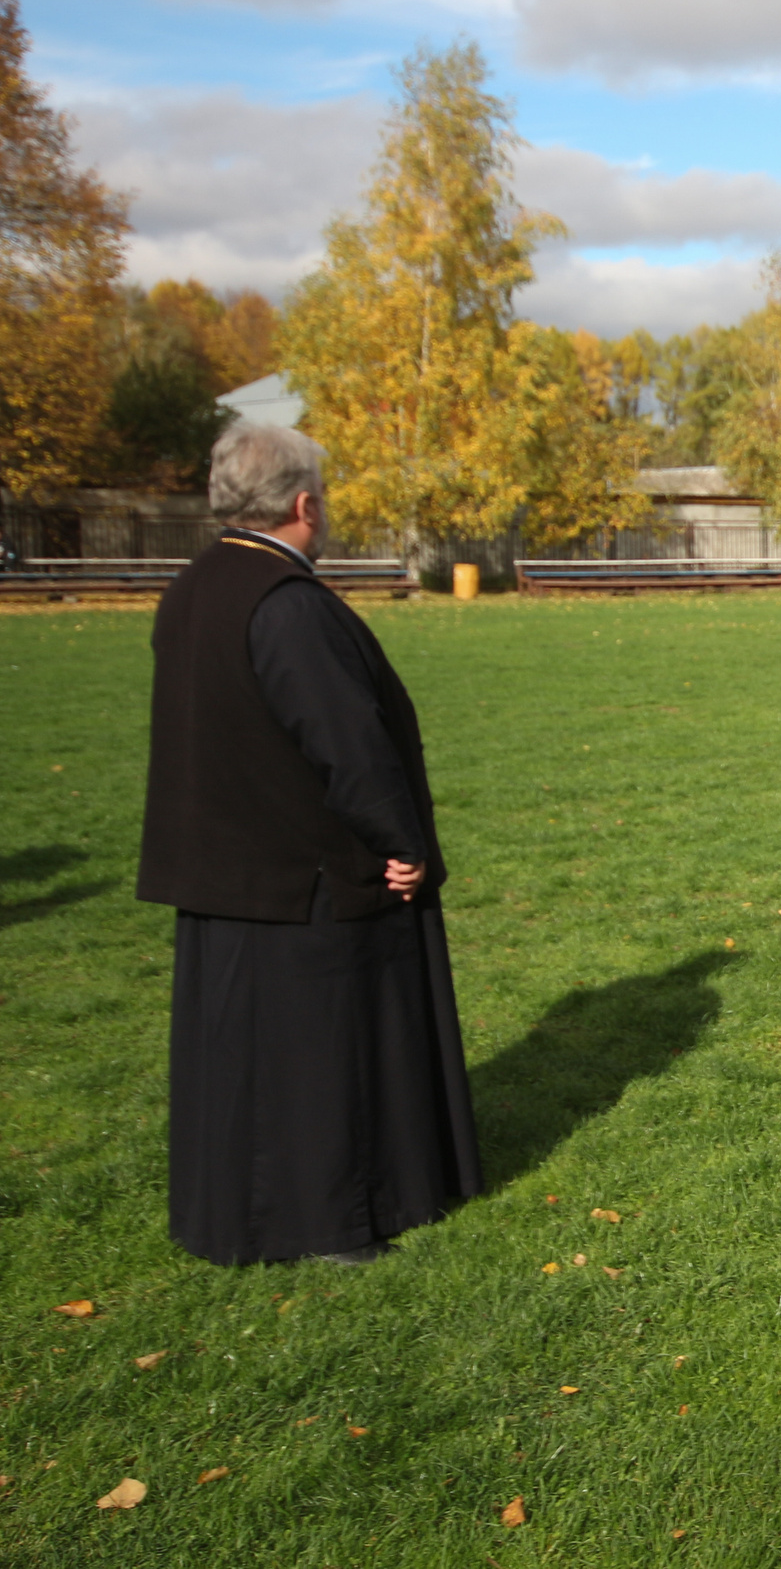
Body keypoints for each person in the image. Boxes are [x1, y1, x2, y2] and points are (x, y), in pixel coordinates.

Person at [137, 423, 482, 1265]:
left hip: (231, 862)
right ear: (304, 504)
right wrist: (400, 839)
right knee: (322, 1053)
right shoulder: (286, 603)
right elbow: (345, 740)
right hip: (306, 870)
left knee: (251, 1054)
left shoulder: (193, 587)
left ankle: (241, 1212)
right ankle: (330, 1219)